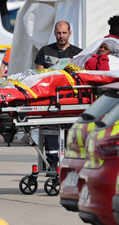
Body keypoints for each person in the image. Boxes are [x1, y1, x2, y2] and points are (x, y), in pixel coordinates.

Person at [34, 20, 82, 171]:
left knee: (71, 133)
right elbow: (38, 75)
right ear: (55, 33)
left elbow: (82, 76)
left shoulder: (78, 53)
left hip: (71, 101)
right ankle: (52, 165)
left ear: (70, 33)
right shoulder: (45, 50)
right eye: (59, 33)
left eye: (64, 33)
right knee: (50, 132)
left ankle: (70, 165)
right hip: (50, 100)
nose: (61, 36)